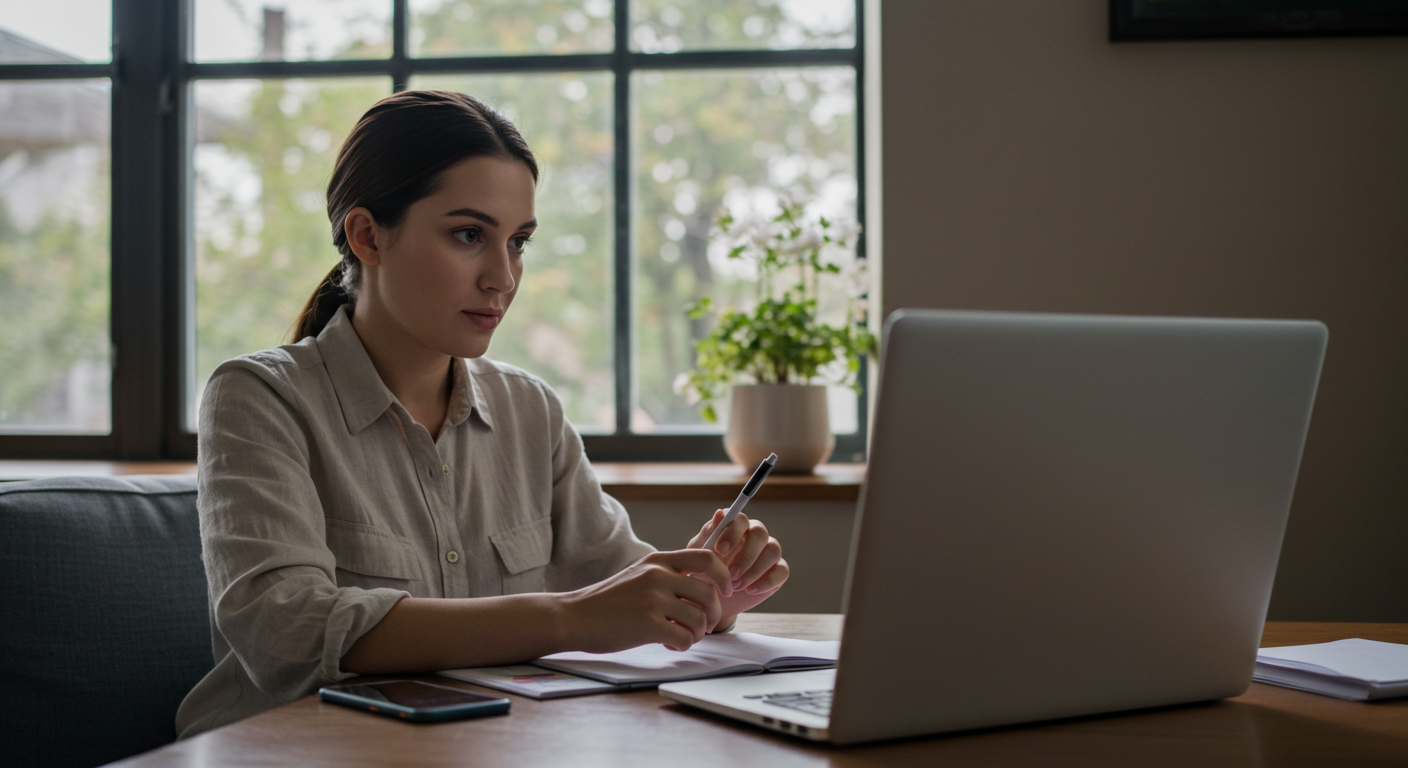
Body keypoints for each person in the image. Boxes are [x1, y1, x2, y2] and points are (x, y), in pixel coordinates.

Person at [175, 90, 789, 737]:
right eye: (469, 235)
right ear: (367, 236)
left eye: (518, 242)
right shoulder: (259, 397)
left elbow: (621, 588)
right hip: (293, 750)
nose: (503, 277)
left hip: (479, 747)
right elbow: (287, 630)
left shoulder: (531, 410)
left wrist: (707, 592)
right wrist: (571, 618)